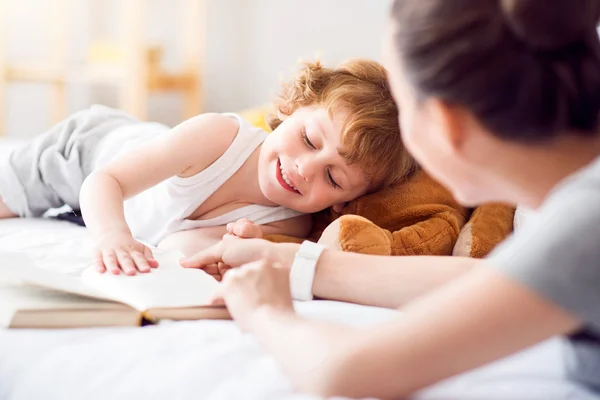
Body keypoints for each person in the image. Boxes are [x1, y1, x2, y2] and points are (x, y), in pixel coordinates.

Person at [180, 0, 600, 397]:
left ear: (444, 124)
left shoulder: (586, 221)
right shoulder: (574, 204)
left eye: (399, 103)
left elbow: (342, 369)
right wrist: (294, 263)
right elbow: (500, 282)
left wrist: (263, 311)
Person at [0, 59, 414, 276]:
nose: (305, 168)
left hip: (116, 205)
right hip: (85, 153)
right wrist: (112, 237)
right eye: (308, 139)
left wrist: (241, 247)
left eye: (333, 177)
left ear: (346, 202)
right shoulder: (217, 136)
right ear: (291, 109)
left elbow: (180, 248)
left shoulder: (291, 226)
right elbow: (104, 181)